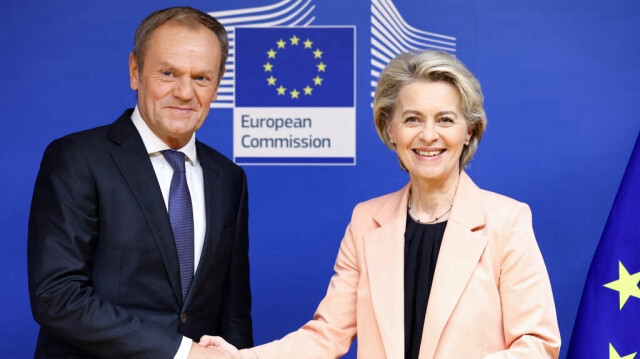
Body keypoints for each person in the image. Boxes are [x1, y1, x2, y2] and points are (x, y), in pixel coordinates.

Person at [202, 50, 561, 358]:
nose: (429, 135)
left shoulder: (507, 221)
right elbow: (327, 336)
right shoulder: (366, 221)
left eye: (445, 120)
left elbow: (536, 345)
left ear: (468, 130)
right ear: (390, 130)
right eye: (412, 119)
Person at [27, 7, 252, 359]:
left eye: (201, 78)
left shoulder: (229, 178)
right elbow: (58, 297)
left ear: (218, 83)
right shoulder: (77, 158)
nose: (184, 92)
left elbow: (233, 311)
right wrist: (183, 352)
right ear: (135, 71)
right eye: (168, 73)